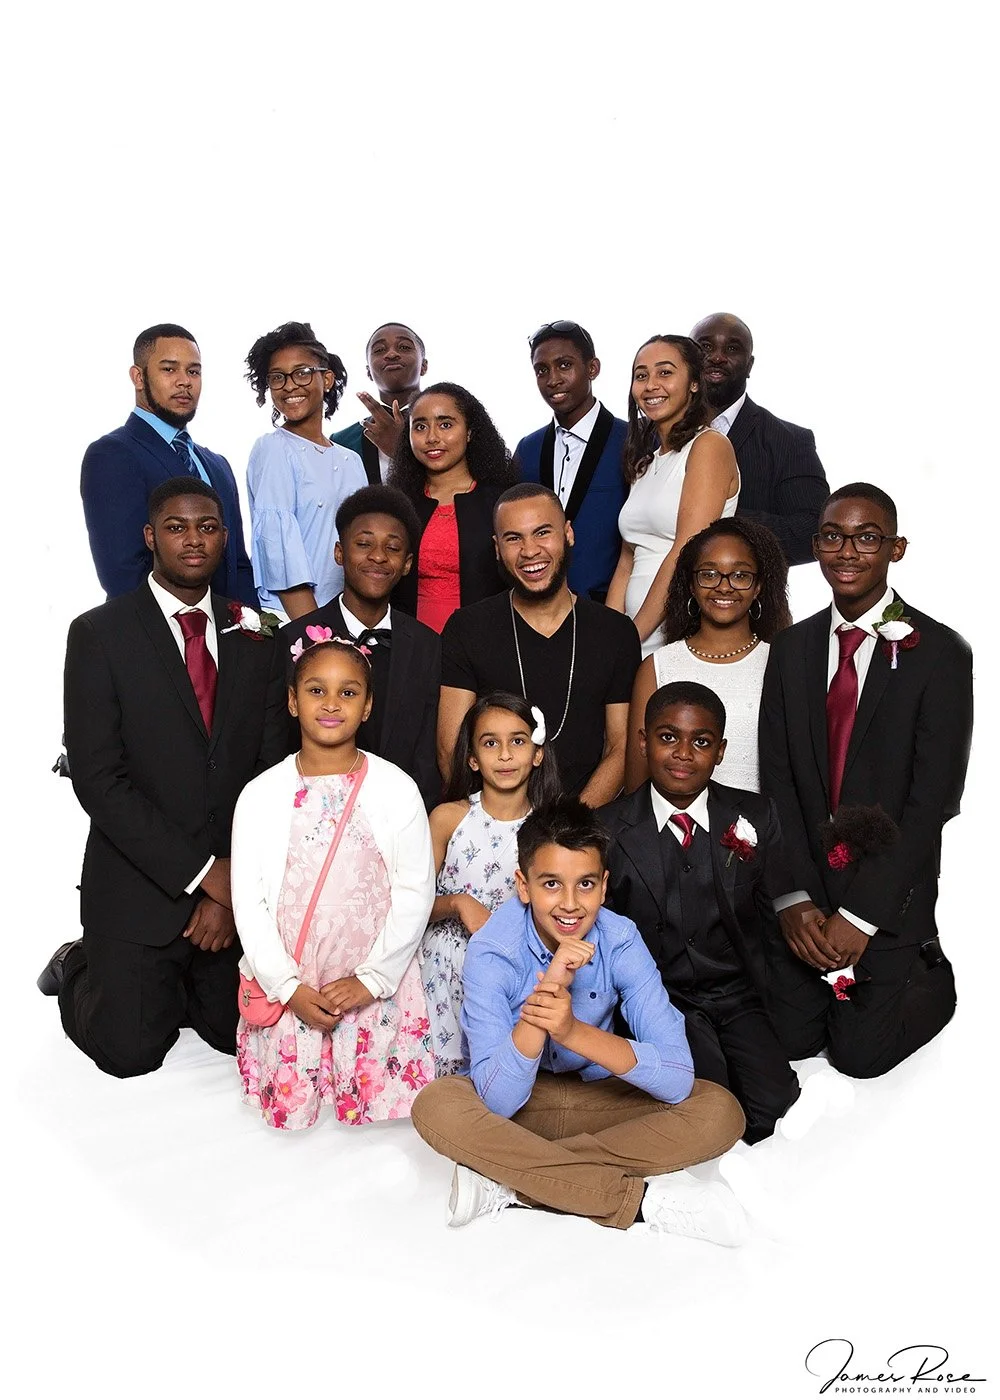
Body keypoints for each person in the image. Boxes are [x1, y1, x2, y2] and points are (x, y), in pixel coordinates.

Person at [38, 478, 288, 1078]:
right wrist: (204, 877)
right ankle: (80, 964)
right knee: (131, 1053)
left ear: (225, 538)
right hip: (139, 884)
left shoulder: (258, 633)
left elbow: (271, 774)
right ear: (151, 537)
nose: (193, 540)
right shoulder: (99, 634)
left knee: (239, 1039)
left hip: (230, 883)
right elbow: (99, 781)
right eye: (177, 527)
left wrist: (232, 889)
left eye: (207, 527)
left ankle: (172, 985)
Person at [410, 796, 747, 1238]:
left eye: (585, 885)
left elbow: (678, 1076)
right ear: (523, 885)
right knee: (437, 1104)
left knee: (719, 1110)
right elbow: (497, 1101)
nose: (570, 904)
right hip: (521, 1110)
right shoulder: (493, 949)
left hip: (599, 1100)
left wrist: (571, 1030)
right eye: (551, 884)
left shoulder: (621, 938)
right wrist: (548, 992)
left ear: (604, 886)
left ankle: (513, 1182)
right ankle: (640, 1203)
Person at [759, 483, 974, 1078]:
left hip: (884, 893)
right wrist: (793, 900)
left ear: (896, 549)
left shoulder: (941, 654)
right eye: (833, 536)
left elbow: (932, 802)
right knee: (793, 1040)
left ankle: (927, 966)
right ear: (816, 545)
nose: (847, 551)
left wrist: (859, 918)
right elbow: (776, 786)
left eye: (867, 537)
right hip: (809, 886)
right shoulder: (792, 648)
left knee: (859, 1057)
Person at [230, 636, 436, 1130]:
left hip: (371, 985)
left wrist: (372, 979)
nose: (330, 704)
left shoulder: (396, 788)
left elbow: (414, 892)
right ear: (291, 699)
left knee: (376, 1136)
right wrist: (285, 987)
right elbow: (249, 904)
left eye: (348, 693)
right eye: (316, 689)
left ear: (368, 706)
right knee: (305, 1139)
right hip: (293, 985)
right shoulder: (260, 796)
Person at [601, 683, 800, 1143]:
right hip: (663, 999)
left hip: (737, 994)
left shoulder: (754, 815)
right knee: (712, 1105)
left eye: (701, 742)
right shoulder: (608, 830)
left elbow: (774, 921)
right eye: (668, 737)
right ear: (643, 741)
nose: (684, 754)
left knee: (776, 1110)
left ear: (722, 750)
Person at [439, 484, 641, 802]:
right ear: (496, 548)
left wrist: (570, 828)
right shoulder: (467, 627)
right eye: (513, 538)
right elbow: (451, 748)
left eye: (542, 533)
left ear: (568, 534)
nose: (530, 550)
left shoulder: (615, 632)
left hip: (582, 827)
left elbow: (621, 748)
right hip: (494, 824)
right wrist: (498, 823)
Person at [420, 692, 561, 1076]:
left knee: (498, 1079)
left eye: (517, 741)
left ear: (537, 753)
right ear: (472, 758)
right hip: (440, 974)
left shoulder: (549, 832)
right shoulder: (448, 819)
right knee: (439, 1090)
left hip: (510, 976)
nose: (504, 755)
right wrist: (458, 903)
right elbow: (408, 907)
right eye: (490, 743)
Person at [280, 485, 442, 809]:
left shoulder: (429, 646)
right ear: (339, 553)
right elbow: (281, 747)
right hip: (314, 821)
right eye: (364, 544)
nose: (378, 556)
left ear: (408, 563)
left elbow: (430, 757)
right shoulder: (293, 641)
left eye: (392, 548)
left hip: (403, 820)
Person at [81, 323, 256, 605]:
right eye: (169, 369)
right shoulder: (113, 454)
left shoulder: (218, 465)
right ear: (138, 377)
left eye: (193, 371)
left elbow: (238, 565)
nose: (184, 381)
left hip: (228, 637)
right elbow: (123, 573)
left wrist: (255, 637)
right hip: (158, 637)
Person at [625, 518, 791, 792]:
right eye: (709, 574)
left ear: (759, 586)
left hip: (764, 829)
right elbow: (636, 791)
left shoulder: (780, 664)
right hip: (671, 833)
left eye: (740, 575)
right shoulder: (658, 667)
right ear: (691, 584)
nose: (724, 587)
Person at [607, 335, 740, 658]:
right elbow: (628, 557)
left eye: (665, 373)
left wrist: (634, 633)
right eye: (641, 375)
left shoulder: (709, 446)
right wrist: (609, 633)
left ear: (694, 383)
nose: (651, 385)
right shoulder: (647, 461)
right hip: (633, 634)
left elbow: (687, 547)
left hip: (676, 630)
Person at [244, 320, 367, 621]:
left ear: (326, 379)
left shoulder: (351, 459)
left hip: (347, 617)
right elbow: (280, 555)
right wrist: (317, 635)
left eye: (302, 372)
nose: (289, 385)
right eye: (277, 377)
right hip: (296, 621)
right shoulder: (273, 449)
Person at [690, 312, 829, 567]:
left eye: (732, 348)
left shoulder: (790, 441)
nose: (718, 357)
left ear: (749, 365)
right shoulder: (644, 435)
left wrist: (717, 516)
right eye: (705, 346)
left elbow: (814, 533)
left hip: (750, 601)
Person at [388, 382, 518, 631]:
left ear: (469, 431)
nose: (432, 437)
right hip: (409, 646)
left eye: (445, 424)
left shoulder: (502, 503)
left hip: (485, 642)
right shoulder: (397, 504)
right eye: (420, 426)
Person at [513, 320, 627, 602]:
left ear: (592, 368)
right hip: (537, 610)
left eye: (564, 365)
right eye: (542, 370)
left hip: (612, 613)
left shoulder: (632, 441)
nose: (553, 379)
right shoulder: (528, 449)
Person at [332, 322, 428, 483]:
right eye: (379, 350)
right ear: (368, 371)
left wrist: (401, 451)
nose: (391, 354)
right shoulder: (341, 442)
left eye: (404, 347)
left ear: (424, 366)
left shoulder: (452, 427)